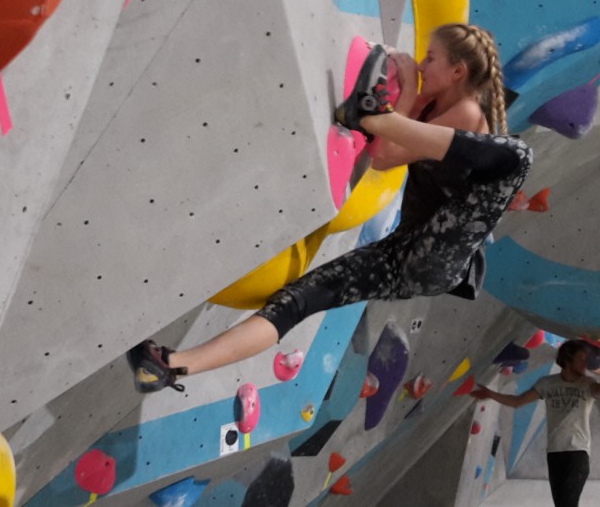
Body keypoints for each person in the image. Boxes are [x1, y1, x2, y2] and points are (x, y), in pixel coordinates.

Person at [126, 25, 533, 392]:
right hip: (409, 256)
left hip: (441, 255)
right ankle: (171, 366)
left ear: (458, 72)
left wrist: (405, 87)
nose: (423, 63)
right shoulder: (437, 106)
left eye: (432, 58)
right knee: (296, 302)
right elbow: (386, 160)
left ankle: (374, 116)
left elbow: (388, 148)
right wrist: (408, 95)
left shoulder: (465, 114)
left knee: (518, 157)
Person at [471, 342, 600, 507]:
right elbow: (517, 401)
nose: (586, 363)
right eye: (581, 359)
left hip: (577, 452)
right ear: (567, 359)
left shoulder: (587, 384)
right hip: (554, 452)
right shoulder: (547, 383)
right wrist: (490, 394)